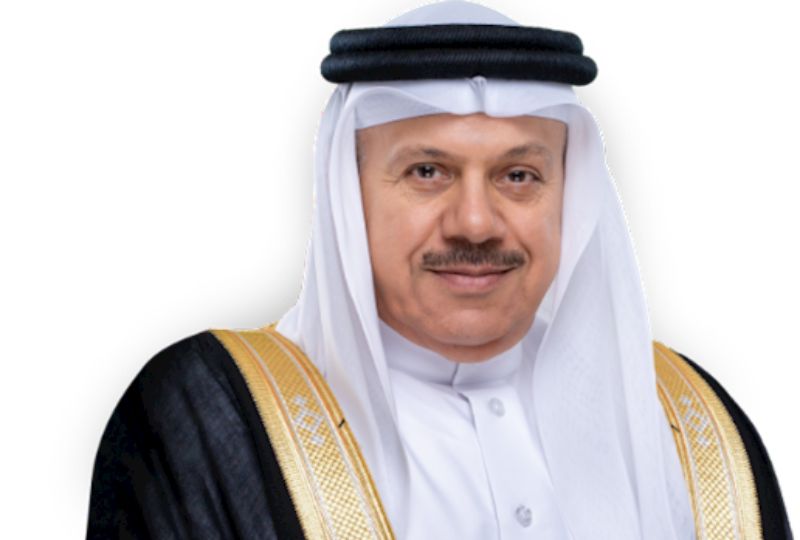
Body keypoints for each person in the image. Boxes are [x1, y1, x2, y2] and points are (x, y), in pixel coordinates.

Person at [86, 2, 792, 539]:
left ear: (569, 197)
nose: (475, 223)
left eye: (519, 175)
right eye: (428, 172)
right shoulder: (208, 415)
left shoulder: (692, 425)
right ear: (349, 194)